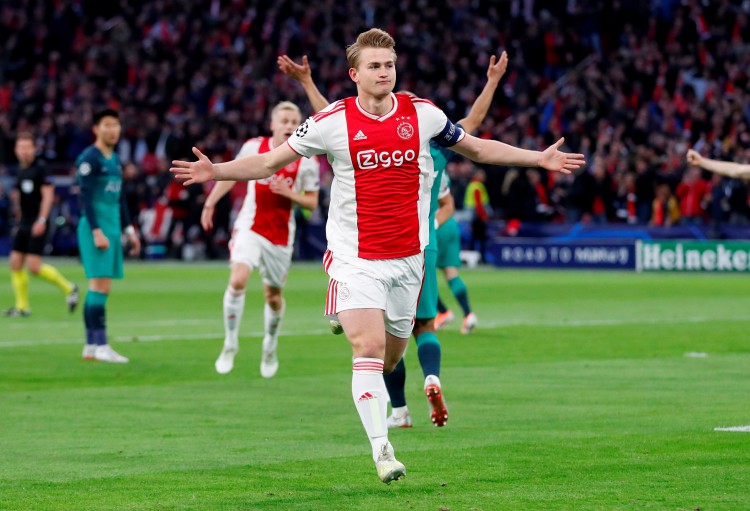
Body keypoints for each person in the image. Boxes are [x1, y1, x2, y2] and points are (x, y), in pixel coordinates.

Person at [171, 28, 584, 484]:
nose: (384, 72)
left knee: (389, 359)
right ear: (355, 74)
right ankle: (382, 450)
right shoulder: (331, 121)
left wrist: (536, 158)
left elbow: (478, 147)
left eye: (389, 65)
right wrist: (217, 171)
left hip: (409, 260)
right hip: (356, 258)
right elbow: (270, 162)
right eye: (374, 66)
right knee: (366, 348)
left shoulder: (423, 114)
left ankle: (342, 311)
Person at [278, 50, 509, 425]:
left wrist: (307, 83)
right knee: (424, 325)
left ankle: (399, 409)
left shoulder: (408, 133)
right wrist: (493, 82)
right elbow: (473, 127)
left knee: (379, 334)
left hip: (387, 242)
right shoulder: (436, 146)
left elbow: (340, 128)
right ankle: (431, 378)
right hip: (423, 245)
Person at [201, 101, 320, 377]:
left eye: (294, 122)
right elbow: (231, 174)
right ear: (273, 124)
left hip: (280, 235)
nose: (289, 126)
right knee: (237, 280)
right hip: (250, 226)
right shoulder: (254, 147)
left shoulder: (307, 160)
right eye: (284, 121)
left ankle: (270, 345)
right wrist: (210, 202)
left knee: (273, 297)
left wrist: (289, 193)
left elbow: (312, 203)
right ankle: (230, 343)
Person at [76, 109, 141, 363]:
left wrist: (129, 230)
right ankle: (101, 345)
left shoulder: (114, 159)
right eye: (107, 125)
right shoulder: (89, 158)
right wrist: (96, 231)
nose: (113, 130)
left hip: (112, 227)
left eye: (116, 125)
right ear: (96, 128)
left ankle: (91, 346)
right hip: (97, 228)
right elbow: (84, 198)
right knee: (99, 286)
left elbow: (120, 199)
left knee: (100, 286)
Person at [4, 132, 79, 317]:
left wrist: (42, 219)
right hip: (24, 222)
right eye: (21, 147)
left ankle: (69, 288)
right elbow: (20, 197)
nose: (24, 151)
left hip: (38, 221)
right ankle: (22, 307)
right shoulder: (20, 170)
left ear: (34, 149)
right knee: (15, 262)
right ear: (16, 150)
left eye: (27, 147)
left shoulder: (41, 168)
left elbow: (48, 196)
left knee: (34, 266)